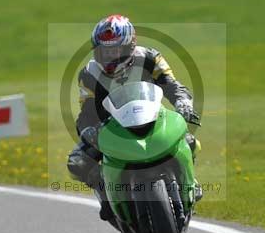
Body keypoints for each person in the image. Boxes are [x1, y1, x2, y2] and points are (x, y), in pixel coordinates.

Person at [66, 14, 201, 221]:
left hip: (153, 117)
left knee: (189, 140)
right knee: (78, 163)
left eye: (116, 49)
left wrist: (183, 102)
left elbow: (173, 86)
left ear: (130, 45)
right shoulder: (89, 73)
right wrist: (89, 130)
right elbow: (86, 111)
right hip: (111, 128)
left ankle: (190, 184)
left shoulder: (149, 58)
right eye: (105, 50)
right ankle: (107, 198)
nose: (111, 56)